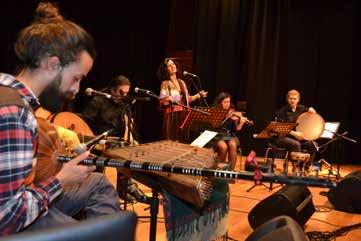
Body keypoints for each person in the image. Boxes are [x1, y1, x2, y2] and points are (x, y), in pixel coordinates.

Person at [0, 2, 120, 235]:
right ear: (52, 64)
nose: (76, 90)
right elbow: (6, 218)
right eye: (76, 78)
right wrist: (61, 180)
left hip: (17, 208)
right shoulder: (16, 114)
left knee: (96, 184)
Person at [158, 58, 208, 141]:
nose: (172, 66)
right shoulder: (165, 83)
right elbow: (162, 102)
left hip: (184, 114)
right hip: (173, 116)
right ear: (166, 70)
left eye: (173, 64)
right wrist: (168, 99)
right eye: (169, 66)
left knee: (183, 140)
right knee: (173, 140)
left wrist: (198, 95)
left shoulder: (182, 82)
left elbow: (187, 99)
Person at [82, 75, 138, 147]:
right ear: (112, 90)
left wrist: (135, 141)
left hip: (118, 143)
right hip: (100, 143)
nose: (124, 96)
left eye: (126, 93)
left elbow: (129, 127)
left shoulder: (124, 104)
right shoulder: (98, 101)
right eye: (121, 93)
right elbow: (85, 124)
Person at [273, 89, 317, 166]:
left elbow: (309, 110)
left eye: (295, 99)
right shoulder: (282, 111)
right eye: (291, 98)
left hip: (296, 136)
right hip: (283, 137)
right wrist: (294, 133)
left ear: (298, 100)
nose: (293, 101)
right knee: (296, 144)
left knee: (312, 144)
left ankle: (306, 167)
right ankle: (296, 168)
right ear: (287, 99)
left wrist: (311, 109)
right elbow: (280, 127)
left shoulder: (301, 108)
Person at [212, 92, 248, 170]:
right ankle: (219, 172)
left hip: (229, 135)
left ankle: (230, 172)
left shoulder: (233, 112)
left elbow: (235, 130)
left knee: (232, 145)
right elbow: (213, 127)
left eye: (228, 102)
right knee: (223, 147)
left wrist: (241, 123)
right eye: (225, 102)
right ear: (220, 102)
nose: (227, 104)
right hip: (218, 135)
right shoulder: (215, 111)